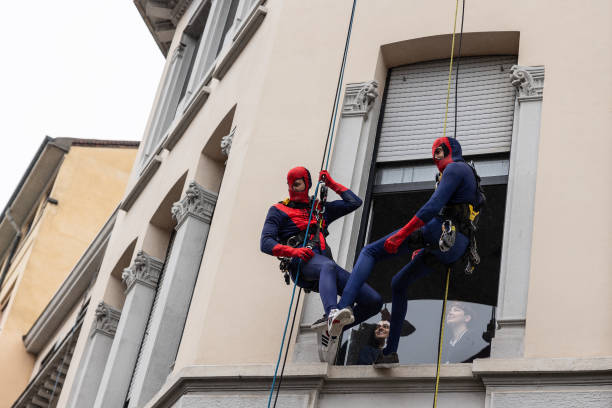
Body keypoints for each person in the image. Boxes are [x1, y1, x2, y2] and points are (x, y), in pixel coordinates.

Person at [329, 137, 484, 368]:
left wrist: (402, 234)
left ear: (451, 150)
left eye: (439, 151)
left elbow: (432, 206)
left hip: (441, 230)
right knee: (398, 283)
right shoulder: (468, 174)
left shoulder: (455, 168)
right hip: (456, 246)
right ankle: (390, 353)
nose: (435, 157)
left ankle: (343, 309)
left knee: (370, 251)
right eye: (433, 153)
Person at [260, 166, 382, 361]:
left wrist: (332, 184)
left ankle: (331, 328)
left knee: (373, 300)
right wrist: (293, 251)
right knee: (328, 266)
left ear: (307, 184)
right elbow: (265, 243)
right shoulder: (278, 210)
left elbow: (354, 202)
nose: (293, 187)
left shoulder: (319, 210)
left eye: (297, 183)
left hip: (326, 267)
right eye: (290, 183)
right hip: (302, 263)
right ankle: (331, 312)